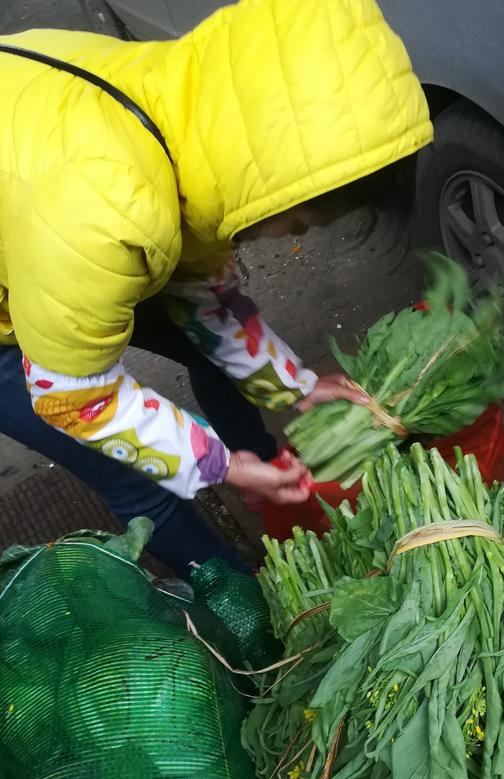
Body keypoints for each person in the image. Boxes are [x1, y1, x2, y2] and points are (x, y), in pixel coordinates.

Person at [0, 0, 432, 575]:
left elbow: (202, 292)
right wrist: (215, 465)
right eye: (299, 223)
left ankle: (256, 465)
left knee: (196, 348)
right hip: (29, 277)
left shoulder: (191, 121)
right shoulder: (109, 211)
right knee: (138, 481)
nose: (285, 238)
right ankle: (249, 611)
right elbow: (76, 396)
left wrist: (295, 385)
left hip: (47, 214)